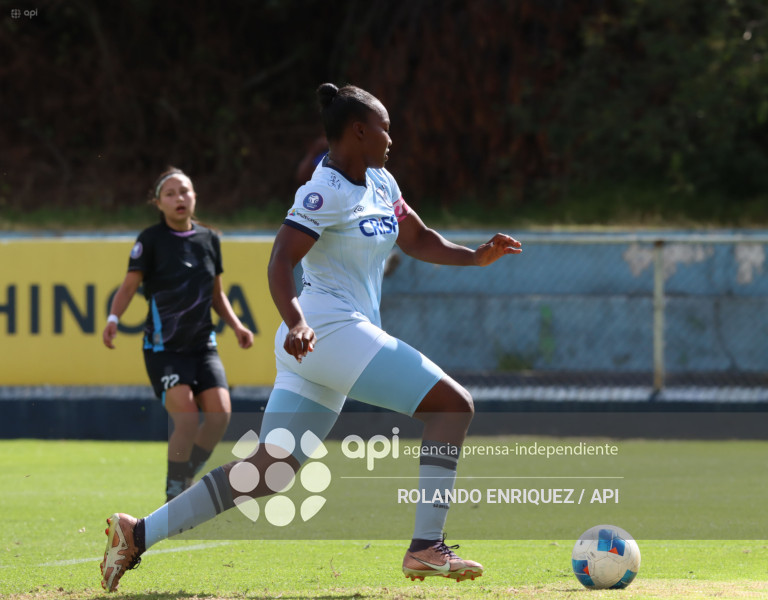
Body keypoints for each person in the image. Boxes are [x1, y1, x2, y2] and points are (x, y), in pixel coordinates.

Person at [99, 85, 522, 592]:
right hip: (326, 331)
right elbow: (280, 261)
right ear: (358, 131)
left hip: (324, 343)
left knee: (266, 472)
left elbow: (417, 239)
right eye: (385, 127)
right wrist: (297, 321)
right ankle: (426, 547)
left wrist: (475, 256)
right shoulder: (321, 192)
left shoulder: (382, 182)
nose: (392, 137)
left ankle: (137, 533)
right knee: (453, 407)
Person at [102, 167, 254, 503]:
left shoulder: (209, 239)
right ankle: (174, 490)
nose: (179, 198)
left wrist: (237, 324)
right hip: (163, 349)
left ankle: (186, 472)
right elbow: (129, 287)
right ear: (158, 203)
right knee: (185, 418)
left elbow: (217, 294)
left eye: (184, 191)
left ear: (194, 196)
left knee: (220, 415)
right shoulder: (150, 241)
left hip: (203, 347)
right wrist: (114, 317)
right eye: (170, 194)